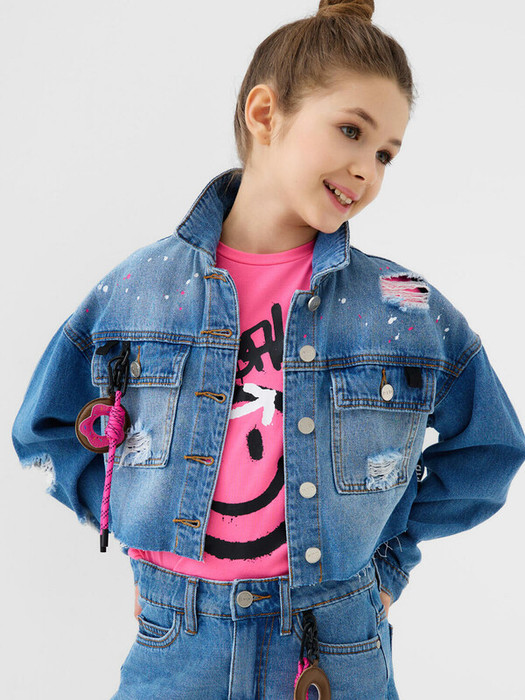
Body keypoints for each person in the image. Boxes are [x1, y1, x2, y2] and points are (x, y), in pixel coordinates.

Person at [11, 1, 525, 698]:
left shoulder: (404, 306)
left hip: (335, 643)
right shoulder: (139, 289)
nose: (366, 170)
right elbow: (48, 429)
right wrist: (140, 540)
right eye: (351, 131)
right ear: (265, 113)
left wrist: (388, 568)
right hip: (176, 637)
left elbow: (490, 448)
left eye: (385, 154)